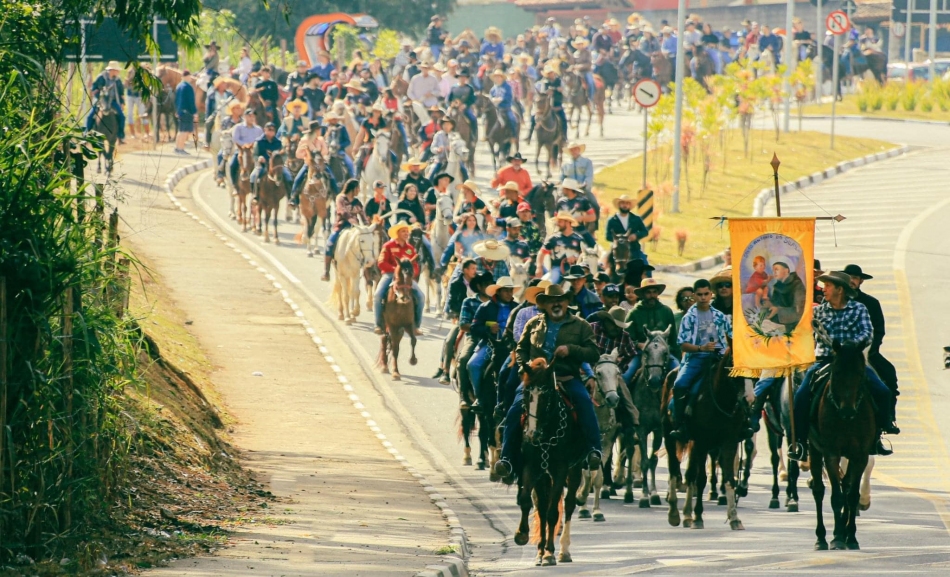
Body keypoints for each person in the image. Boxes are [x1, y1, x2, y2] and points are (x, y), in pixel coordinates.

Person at [493, 284, 603, 484]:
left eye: (560, 300)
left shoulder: (580, 325)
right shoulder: (534, 323)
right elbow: (521, 349)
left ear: (567, 302)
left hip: (566, 377)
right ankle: (507, 459)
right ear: (545, 304)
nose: (556, 304)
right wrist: (525, 369)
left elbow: (594, 353)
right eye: (552, 301)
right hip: (536, 379)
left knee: (584, 402)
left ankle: (593, 451)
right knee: (515, 409)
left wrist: (571, 349)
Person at [788, 271, 899, 461]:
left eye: (828, 286)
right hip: (824, 361)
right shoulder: (817, 312)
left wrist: (848, 347)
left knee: (883, 391)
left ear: (840, 289)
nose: (824, 290)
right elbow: (800, 330)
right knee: (801, 395)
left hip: (851, 361)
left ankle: (879, 433)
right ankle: (799, 441)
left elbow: (867, 333)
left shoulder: (859, 309)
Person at [669, 279, 742, 442]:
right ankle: (680, 425)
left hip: (720, 357)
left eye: (706, 294)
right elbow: (682, 344)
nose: (703, 298)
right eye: (700, 295)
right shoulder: (689, 317)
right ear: (694, 296)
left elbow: (732, 337)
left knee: (743, 383)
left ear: (711, 294)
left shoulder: (720, 316)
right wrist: (701, 348)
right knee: (679, 385)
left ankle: (744, 423)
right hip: (695, 358)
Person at [845, 263, 899, 418]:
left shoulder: (871, 303)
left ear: (861, 281)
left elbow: (879, 330)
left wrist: (871, 349)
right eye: (848, 277)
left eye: (854, 278)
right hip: (838, 351)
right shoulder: (837, 299)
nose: (851, 281)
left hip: (866, 351)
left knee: (889, 375)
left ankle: (887, 418)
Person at [468, 277, 519, 408]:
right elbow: (474, 328)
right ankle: (478, 397)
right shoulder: (485, 307)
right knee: (473, 364)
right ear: (498, 292)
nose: (509, 294)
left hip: (512, 346)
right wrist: (487, 329)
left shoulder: (517, 308)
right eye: (506, 291)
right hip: (490, 344)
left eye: (511, 290)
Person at [624, 278, 680, 384]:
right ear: (642, 294)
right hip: (641, 353)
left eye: (654, 292)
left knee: (679, 373)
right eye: (648, 292)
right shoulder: (634, 313)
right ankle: (623, 399)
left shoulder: (666, 311)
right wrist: (638, 344)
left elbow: (673, 338)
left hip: (664, 353)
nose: (652, 295)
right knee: (626, 376)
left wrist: (677, 355)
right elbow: (626, 338)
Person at [375, 222, 426, 336]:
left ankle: (416, 326)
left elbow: (416, 266)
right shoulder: (388, 246)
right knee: (378, 295)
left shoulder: (410, 248)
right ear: (397, 233)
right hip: (389, 275)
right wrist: (397, 269)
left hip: (406, 278)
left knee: (421, 297)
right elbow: (381, 262)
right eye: (403, 231)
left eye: (407, 231)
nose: (406, 234)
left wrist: (411, 273)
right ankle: (379, 325)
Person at [435, 258, 480, 384]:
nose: (475, 271)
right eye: (472, 269)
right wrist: (460, 314)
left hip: (479, 317)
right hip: (463, 317)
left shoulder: (478, 283)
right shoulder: (456, 284)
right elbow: (453, 304)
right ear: (465, 270)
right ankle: (445, 371)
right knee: (449, 340)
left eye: (476, 269)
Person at [456, 271, 495, 407]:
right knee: (463, 358)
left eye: (492, 284)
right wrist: (484, 328)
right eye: (486, 284)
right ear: (479, 286)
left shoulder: (497, 302)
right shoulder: (469, 301)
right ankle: (464, 395)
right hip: (474, 338)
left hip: (496, 339)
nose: (490, 287)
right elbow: (463, 325)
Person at [321, 179, 367, 280]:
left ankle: (366, 269)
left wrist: (367, 226)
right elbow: (342, 212)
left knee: (366, 244)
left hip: (355, 229)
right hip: (341, 225)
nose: (359, 190)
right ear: (353, 189)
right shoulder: (341, 198)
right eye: (358, 188)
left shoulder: (357, 202)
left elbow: (363, 215)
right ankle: (326, 271)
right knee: (330, 243)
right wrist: (352, 220)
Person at [537, 212, 590, 283]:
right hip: (557, 268)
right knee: (552, 282)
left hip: (575, 269)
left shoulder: (579, 239)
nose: (558, 224)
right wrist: (539, 267)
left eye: (560, 222)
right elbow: (542, 252)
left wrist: (575, 258)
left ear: (568, 222)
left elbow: (585, 256)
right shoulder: (553, 239)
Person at [249, 123, 293, 200]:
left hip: (277, 165)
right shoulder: (259, 142)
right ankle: (255, 195)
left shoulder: (278, 142)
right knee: (253, 176)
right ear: (265, 130)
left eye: (273, 130)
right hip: (263, 164)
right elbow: (254, 155)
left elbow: (285, 154)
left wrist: (281, 160)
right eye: (269, 129)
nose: (271, 131)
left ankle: (290, 197)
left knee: (288, 175)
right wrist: (259, 158)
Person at [86, 61, 126, 142]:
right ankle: (87, 134)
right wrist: (99, 96)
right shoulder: (101, 77)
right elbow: (94, 89)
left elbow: (121, 93)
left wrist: (122, 103)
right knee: (90, 116)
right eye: (116, 70)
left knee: (122, 116)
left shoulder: (118, 80)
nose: (117, 72)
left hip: (113, 101)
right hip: (100, 100)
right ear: (111, 70)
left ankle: (120, 133)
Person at [606, 194, 650, 265]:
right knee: (603, 266)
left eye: (627, 203)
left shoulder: (636, 219)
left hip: (634, 249)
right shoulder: (612, 220)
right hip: (617, 251)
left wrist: (636, 236)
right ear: (619, 205)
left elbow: (645, 231)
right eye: (623, 203)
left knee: (646, 267)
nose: (625, 205)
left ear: (630, 206)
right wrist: (619, 239)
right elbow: (608, 236)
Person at [765, 261, 806, 333]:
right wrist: (769, 304)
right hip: (777, 323)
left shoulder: (797, 285)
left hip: (793, 325)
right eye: (773, 270)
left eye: (776, 269)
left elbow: (799, 311)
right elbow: (774, 304)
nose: (774, 272)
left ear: (786, 270)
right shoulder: (778, 286)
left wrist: (778, 310)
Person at [488, 69, 519, 150]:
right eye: (496, 77)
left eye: (499, 77)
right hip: (495, 108)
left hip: (505, 107)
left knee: (512, 119)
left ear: (502, 78)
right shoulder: (493, 88)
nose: (497, 79)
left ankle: (513, 135)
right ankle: (487, 135)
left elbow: (509, 97)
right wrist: (492, 99)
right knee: (486, 118)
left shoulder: (507, 87)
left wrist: (501, 99)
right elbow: (490, 96)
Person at [448, 68, 478, 142]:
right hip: (454, 108)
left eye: (464, 77)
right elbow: (449, 99)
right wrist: (451, 104)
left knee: (473, 119)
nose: (462, 79)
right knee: (446, 118)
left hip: (465, 108)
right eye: (461, 77)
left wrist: (465, 105)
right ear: (458, 78)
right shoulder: (454, 87)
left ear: (466, 78)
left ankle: (473, 136)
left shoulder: (469, 88)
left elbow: (472, 99)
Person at [323, 110, 355, 178]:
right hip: (326, 152)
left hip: (340, 151)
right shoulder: (325, 128)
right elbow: (321, 139)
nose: (335, 120)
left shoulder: (342, 128)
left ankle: (353, 178)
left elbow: (348, 141)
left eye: (335, 119)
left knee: (350, 164)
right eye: (333, 119)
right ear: (329, 120)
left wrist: (340, 146)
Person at [204, 77, 233, 149]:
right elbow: (208, 107)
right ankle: (207, 142)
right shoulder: (212, 95)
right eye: (223, 83)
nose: (225, 85)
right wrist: (208, 116)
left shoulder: (229, 94)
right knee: (208, 123)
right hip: (216, 113)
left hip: (228, 113)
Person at [173, 70, 197, 154]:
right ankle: (181, 148)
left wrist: (177, 110)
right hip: (187, 111)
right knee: (185, 131)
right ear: (188, 76)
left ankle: (177, 147)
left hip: (180, 111)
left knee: (180, 130)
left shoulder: (179, 86)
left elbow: (176, 100)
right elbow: (191, 101)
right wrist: (194, 112)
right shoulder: (188, 87)